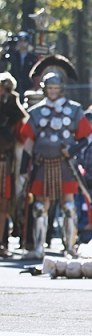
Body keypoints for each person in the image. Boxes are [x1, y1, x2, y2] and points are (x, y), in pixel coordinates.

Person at [19, 57, 92, 259]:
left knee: (68, 207)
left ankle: (69, 247)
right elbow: (28, 143)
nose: (52, 91)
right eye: (49, 88)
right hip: (43, 165)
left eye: (55, 88)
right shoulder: (35, 112)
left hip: (65, 165)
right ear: (44, 89)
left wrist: (73, 150)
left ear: (61, 88)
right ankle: (38, 248)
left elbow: (86, 138)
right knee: (41, 207)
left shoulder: (74, 110)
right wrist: (24, 169)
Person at [0, 72, 27, 257]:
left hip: (5, 163)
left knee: (4, 204)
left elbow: (21, 138)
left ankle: (2, 243)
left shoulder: (13, 113)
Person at [4, 31, 34, 100]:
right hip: (14, 88)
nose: (22, 43)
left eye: (24, 41)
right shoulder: (12, 56)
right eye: (20, 41)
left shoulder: (32, 58)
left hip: (28, 88)